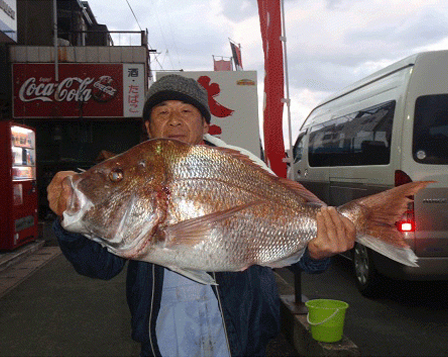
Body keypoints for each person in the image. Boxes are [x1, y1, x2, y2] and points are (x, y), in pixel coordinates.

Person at [47, 74, 356, 357]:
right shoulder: (136, 176)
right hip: (164, 340)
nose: (174, 122)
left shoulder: (245, 168)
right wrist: (69, 220)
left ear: (206, 125)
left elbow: (293, 253)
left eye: (186, 111)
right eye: (163, 112)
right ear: (148, 127)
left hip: (241, 338)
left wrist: (315, 252)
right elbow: (98, 266)